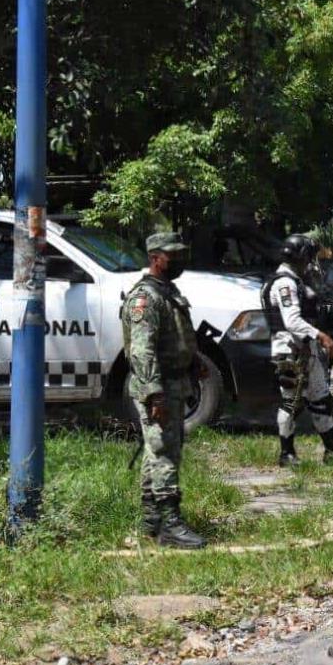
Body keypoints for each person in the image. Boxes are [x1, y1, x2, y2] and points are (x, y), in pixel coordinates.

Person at [121, 232, 206, 549]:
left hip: (174, 382)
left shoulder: (167, 292)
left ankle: (151, 522)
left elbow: (176, 334)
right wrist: (155, 395)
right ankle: (171, 524)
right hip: (156, 386)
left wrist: (193, 360)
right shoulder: (146, 298)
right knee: (164, 454)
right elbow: (142, 353)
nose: (180, 261)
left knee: (157, 451)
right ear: (156, 258)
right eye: (174, 256)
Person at [261, 234, 333, 466]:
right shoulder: (285, 283)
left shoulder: (294, 279)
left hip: (304, 350)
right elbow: (292, 321)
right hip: (292, 350)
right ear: (300, 256)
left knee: (320, 399)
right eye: (309, 256)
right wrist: (322, 336)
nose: (311, 261)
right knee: (291, 401)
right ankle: (286, 453)